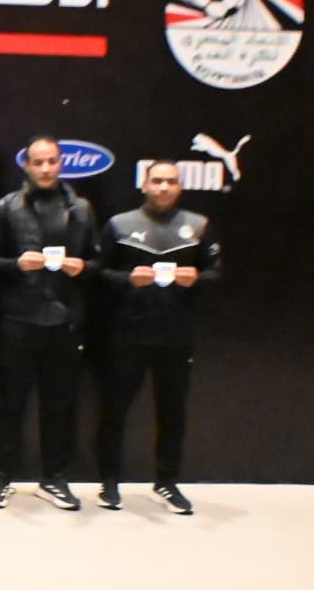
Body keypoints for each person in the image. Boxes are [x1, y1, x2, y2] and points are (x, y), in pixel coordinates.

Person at [95, 160, 221, 514]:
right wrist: (127, 279)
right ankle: (109, 482)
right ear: (145, 185)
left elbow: (215, 272)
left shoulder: (198, 225)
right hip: (128, 334)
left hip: (175, 336)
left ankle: (166, 482)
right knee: (114, 410)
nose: (164, 187)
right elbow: (99, 271)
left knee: (172, 412)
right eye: (157, 181)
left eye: (171, 181)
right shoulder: (120, 224)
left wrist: (196, 278)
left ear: (179, 186)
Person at [0, 136, 100, 510]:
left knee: (58, 406)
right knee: (11, 404)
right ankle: (1, 477)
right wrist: (15, 264)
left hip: (64, 323)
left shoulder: (81, 209)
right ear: (27, 165)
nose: (46, 168)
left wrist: (82, 268)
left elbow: (97, 264)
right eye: (39, 162)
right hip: (18, 321)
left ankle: (54, 478)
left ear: (61, 164)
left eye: (52, 161)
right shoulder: (7, 207)